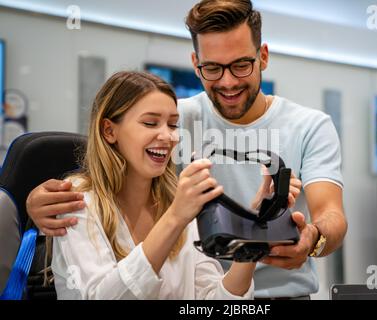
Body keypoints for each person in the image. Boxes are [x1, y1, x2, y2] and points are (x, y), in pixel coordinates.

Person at [26, 0, 347, 299]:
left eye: (241, 66)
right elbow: (104, 167)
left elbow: (331, 214)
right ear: (196, 64)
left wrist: (297, 238)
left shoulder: (309, 125)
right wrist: (32, 202)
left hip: (265, 291)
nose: (228, 81)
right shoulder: (179, 119)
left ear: (263, 56)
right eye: (213, 68)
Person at [47, 70, 257, 299]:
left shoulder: (177, 202)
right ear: (109, 131)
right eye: (150, 123)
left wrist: (252, 242)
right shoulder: (77, 202)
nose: (168, 136)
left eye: (173, 125)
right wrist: (174, 218)